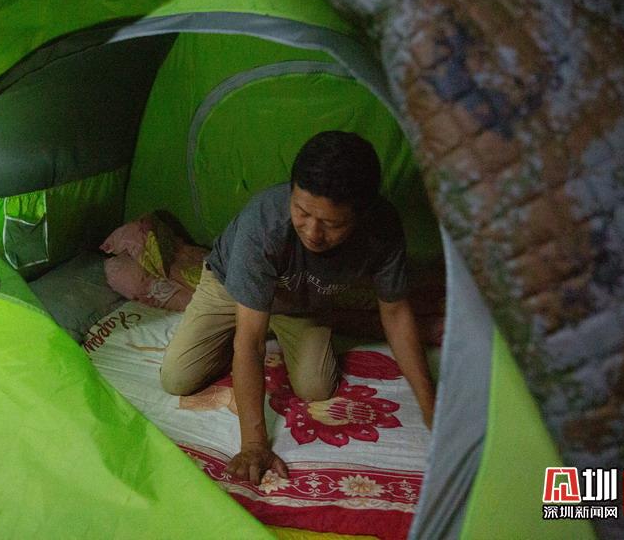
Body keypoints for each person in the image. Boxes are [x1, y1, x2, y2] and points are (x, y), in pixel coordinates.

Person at [160, 130, 435, 485]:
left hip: (303, 301)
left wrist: (430, 407)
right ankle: (242, 332)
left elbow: (396, 314)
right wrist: (254, 445)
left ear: (362, 215)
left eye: (332, 224)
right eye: (301, 212)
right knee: (177, 377)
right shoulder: (264, 222)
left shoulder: (382, 228)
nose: (313, 233)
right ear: (291, 192)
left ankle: (279, 327)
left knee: (316, 387)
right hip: (231, 289)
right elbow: (250, 341)